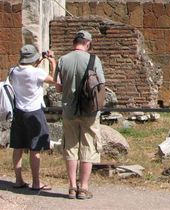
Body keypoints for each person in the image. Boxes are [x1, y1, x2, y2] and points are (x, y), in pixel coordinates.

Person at [55, 30, 105, 200]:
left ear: (74, 42)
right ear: (88, 43)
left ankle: (71, 187)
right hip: (89, 110)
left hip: (69, 109)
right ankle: (83, 187)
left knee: (70, 146)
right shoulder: (94, 60)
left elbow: (58, 88)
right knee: (89, 146)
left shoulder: (63, 59)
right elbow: (100, 85)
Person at [9, 45, 56, 191]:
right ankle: (36, 182)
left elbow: (26, 70)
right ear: (33, 58)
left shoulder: (13, 71)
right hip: (34, 112)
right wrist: (52, 61)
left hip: (18, 112)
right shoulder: (37, 73)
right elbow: (53, 79)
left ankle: (18, 180)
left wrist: (38, 60)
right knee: (35, 148)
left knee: (18, 147)